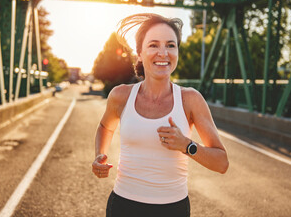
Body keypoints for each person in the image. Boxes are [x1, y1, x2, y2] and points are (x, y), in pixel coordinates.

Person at [92, 13, 229, 217]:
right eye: (154, 45)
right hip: (123, 205)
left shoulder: (190, 99)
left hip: (173, 209)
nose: (163, 53)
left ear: (177, 52)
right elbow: (105, 127)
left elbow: (221, 163)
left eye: (171, 45)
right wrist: (99, 156)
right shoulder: (120, 96)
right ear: (139, 53)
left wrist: (187, 146)